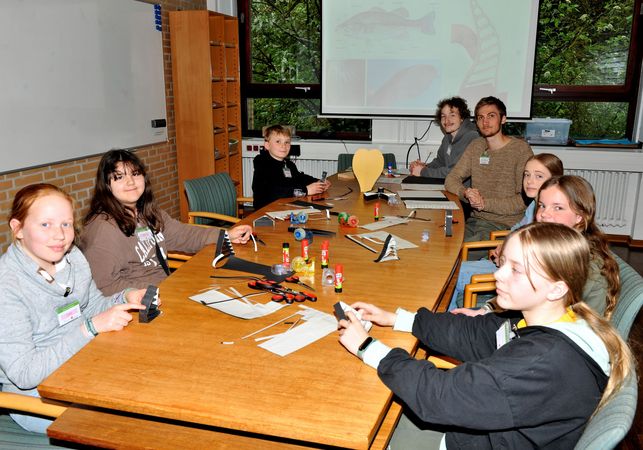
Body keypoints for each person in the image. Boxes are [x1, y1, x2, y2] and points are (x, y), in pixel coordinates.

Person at [338, 222, 633, 449]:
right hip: (487, 431)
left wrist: (367, 347)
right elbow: (471, 334)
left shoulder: (541, 363)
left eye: (516, 270)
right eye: (503, 263)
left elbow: (441, 397)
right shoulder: (553, 319)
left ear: (557, 288)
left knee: (353, 423)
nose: (499, 275)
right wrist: (396, 318)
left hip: (470, 441)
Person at [0, 184, 147, 433]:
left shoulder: (73, 258)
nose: (59, 235)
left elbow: (93, 306)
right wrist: (89, 328)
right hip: (39, 398)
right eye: (45, 225)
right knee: (132, 422)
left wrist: (126, 296)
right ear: (18, 229)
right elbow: (24, 374)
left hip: (84, 367)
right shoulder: (7, 285)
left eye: (66, 224)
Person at [80, 149, 253, 296]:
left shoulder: (146, 213)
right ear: (106, 185)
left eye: (135, 174)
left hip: (166, 288)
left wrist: (225, 235)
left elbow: (183, 235)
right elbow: (104, 286)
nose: (130, 182)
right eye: (119, 177)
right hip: (142, 303)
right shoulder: (103, 229)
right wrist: (154, 295)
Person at [454, 175, 619, 318]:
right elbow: (520, 289)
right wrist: (485, 310)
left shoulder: (587, 268)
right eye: (542, 205)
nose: (544, 214)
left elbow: (579, 330)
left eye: (558, 208)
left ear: (580, 217)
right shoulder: (550, 248)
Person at [448, 153, 564, 309]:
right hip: (506, 262)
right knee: (452, 270)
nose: (530, 181)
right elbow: (517, 230)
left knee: (453, 275)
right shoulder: (533, 206)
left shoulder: (548, 215)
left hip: (516, 272)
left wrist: (506, 254)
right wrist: (505, 245)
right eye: (527, 175)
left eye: (539, 176)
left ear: (554, 181)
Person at [445, 96, 533, 242]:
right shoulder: (476, 146)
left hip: (504, 227)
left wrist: (484, 203)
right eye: (480, 117)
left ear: (503, 119)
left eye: (491, 116)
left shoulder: (520, 150)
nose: (485, 122)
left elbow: (523, 200)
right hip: (474, 221)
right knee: (441, 243)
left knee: (454, 254)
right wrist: (465, 193)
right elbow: (451, 179)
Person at [252, 125, 331, 210]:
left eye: (287, 142)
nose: (283, 146)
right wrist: (306, 190)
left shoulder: (288, 164)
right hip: (266, 211)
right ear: (267, 145)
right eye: (278, 141)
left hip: (285, 206)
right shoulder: (262, 164)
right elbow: (274, 191)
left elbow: (299, 178)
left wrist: (318, 182)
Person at [409, 96, 479, 179]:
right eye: (443, 116)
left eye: (452, 115)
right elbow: (440, 162)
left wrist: (422, 171)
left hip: (464, 190)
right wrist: (424, 166)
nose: (446, 120)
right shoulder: (447, 138)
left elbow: (454, 172)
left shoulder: (472, 137)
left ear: (462, 117)